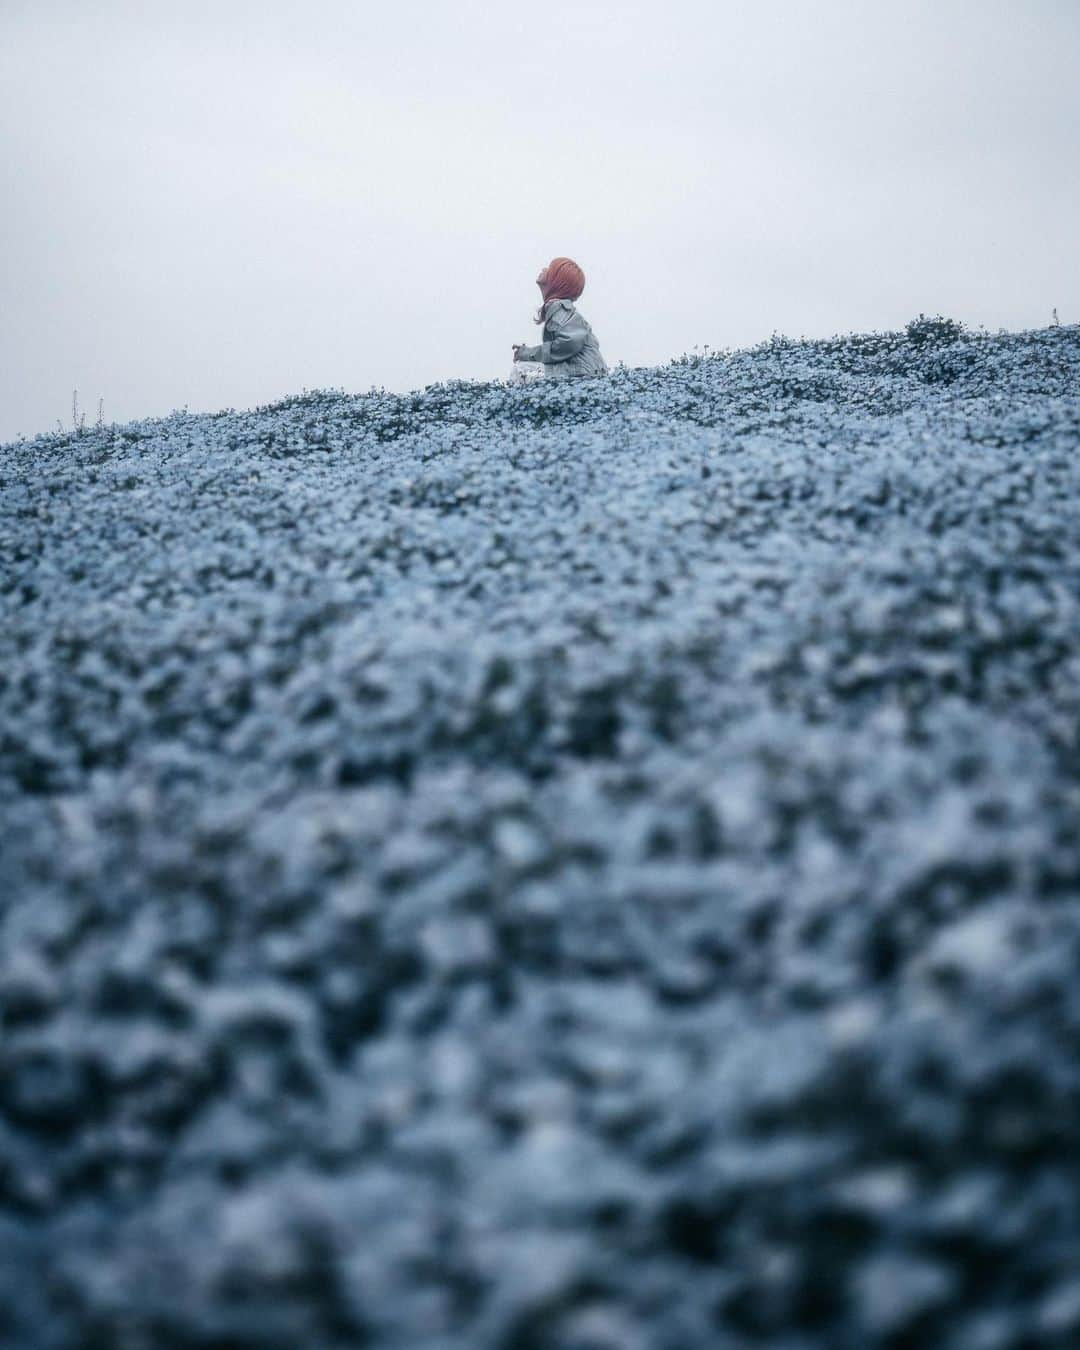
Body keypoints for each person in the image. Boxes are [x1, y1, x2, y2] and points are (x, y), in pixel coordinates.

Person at [509, 257, 609, 383]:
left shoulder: (561, 309)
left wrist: (529, 353)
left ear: (558, 280)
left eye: (550, 269)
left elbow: (568, 343)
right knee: (524, 369)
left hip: (582, 376)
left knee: (520, 370)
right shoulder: (558, 308)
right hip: (578, 373)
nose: (544, 269)